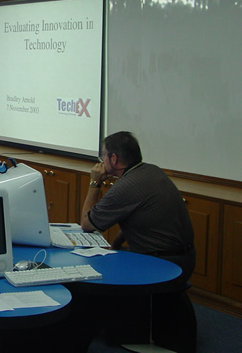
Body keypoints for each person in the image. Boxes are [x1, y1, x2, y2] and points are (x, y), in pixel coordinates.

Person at [80, 131, 196, 352]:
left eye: (103, 156)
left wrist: (94, 183)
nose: (101, 162)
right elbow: (139, 220)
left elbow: (87, 223)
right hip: (185, 257)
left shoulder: (126, 187)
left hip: (163, 264)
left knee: (95, 268)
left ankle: (110, 326)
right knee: (113, 257)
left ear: (114, 159)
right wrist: (115, 245)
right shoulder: (152, 172)